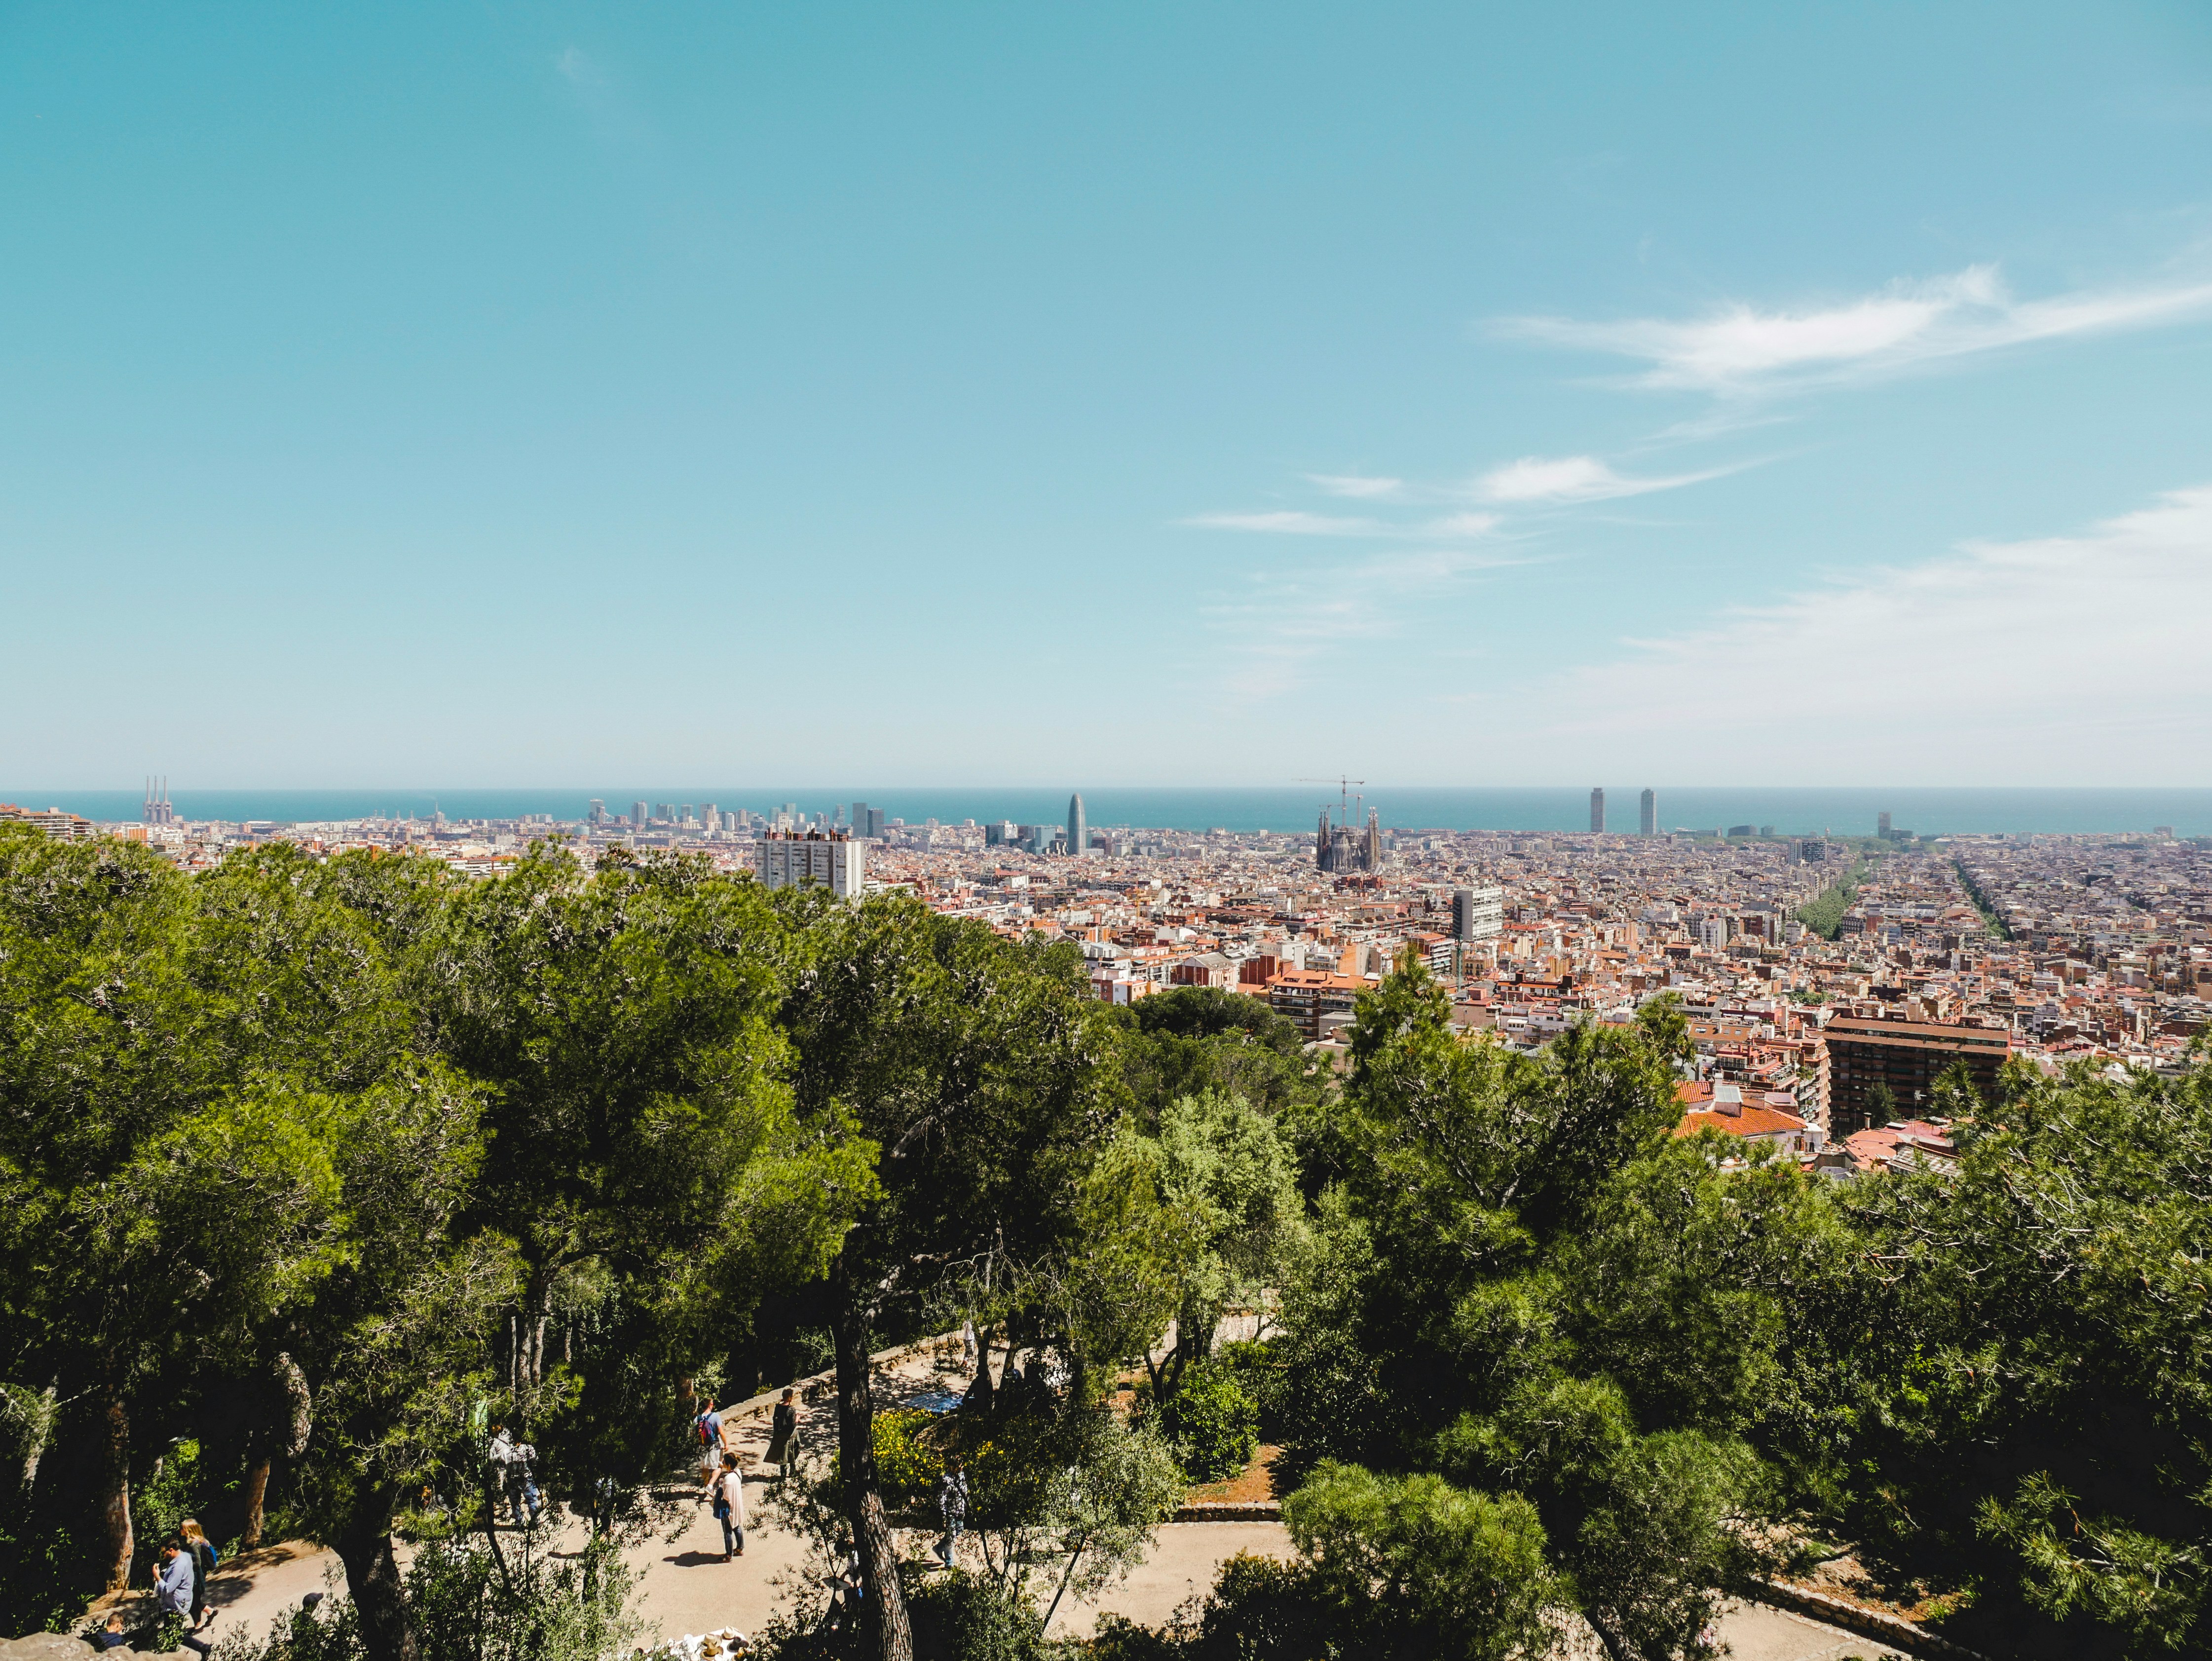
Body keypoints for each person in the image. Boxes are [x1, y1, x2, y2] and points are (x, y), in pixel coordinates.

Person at [181, 1518, 218, 1630]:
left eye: (182, 1528)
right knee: (194, 1600)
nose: (180, 1530)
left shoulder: (194, 1544)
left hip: (196, 1577)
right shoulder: (201, 1541)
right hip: (198, 1575)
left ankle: (198, 1625)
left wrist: (184, 1564)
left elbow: (198, 1562)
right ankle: (210, 1612)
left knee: (192, 1601)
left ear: (188, 1530)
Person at [711, 1452, 746, 1559]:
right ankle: (740, 1547)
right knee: (736, 1526)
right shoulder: (738, 1472)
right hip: (737, 1504)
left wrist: (720, 1489)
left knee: (727, 1531)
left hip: (728, 1508)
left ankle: (729, 1554)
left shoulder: (728, 1479)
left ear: (728, 1464)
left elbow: (726, 1497)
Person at [934, 1455, 967, 1569]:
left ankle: (939, 1548)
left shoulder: (961, 1476)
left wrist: (964, 1508)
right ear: (952, 1467)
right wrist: (944, 1516)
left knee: (959, 1531)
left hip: (959, 1511)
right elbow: (941, 1499)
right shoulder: (946, 1480)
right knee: (951, 1537)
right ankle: (949, 1563)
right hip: (950, 1513)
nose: (961, 1467)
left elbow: (964, 1493)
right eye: (959, 1465)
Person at [766, 1389, 798, 1480]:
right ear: (789, 1398)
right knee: (791, 1453)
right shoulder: (791, 1409)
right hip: (788, 1435)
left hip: (779, 1434)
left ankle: (783, 1475)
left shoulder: (778, 1407)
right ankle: (792, 1472)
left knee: (782, 1455)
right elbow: (793, 1425)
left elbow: (775, 1419)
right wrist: (797, 1419)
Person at [695, 1397, 725, 1494]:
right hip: (714, 1445)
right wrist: (726, 1444)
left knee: (705, 1467)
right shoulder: (715, 1416)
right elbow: (721, 1432)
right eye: (712, 1404)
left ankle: (705, 1486)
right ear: (709, 1406)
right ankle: (710, 1486)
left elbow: (692, 1434)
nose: (713, 1406)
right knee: (718, 1467)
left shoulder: (698, 1418)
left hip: (702, 1446)